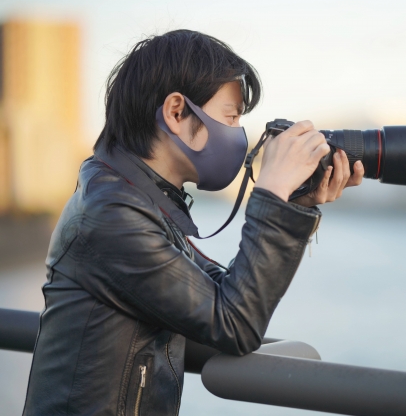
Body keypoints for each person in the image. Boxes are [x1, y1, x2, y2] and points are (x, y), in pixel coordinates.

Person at [22, 29, 363, 415]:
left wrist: (294, 203)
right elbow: (234, 324)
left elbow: (221, 297)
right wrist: (271, 195)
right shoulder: (112, 216)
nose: (239, 135)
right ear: (176, 112)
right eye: (231, 117)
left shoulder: (133, 199)